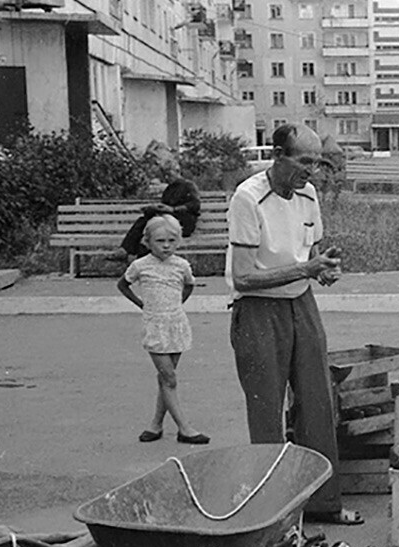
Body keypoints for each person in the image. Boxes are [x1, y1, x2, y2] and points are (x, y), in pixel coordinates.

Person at [226, 123, 360, 525]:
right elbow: (244, 276)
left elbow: (311, 252)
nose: (311, 171)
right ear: (278, 155)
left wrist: (323, 270)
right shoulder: (248, 198)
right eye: (304, 162)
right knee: (266, 412)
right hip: (257, 311)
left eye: (317, 163)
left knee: (318, 401)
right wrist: (305, 267)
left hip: (300, 303)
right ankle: (274, 513)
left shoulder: (308, 195)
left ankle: (324, 503)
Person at [116, 214, 209, 445]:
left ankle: (155, 425)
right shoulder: (140, 265)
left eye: (171, 241)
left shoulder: (181, 265)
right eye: (160, 241)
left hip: (176, 324)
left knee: (166, 378)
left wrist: (176, 305)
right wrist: (142, 304)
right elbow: (123, 284)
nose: (166, 246)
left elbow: (189, 286)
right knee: (169, 378)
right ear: (148, 242)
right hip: (155, 325)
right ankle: (185, 428)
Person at [120, 179, 203, 260]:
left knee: (151, 229)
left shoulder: (189, 186)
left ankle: (128, 250)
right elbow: (165, 204)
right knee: (145, 221)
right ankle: (133, 252)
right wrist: (156, 208)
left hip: (183, 224)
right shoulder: (170, 188)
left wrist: (173, 209)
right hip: (166, 222)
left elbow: (195, 205)